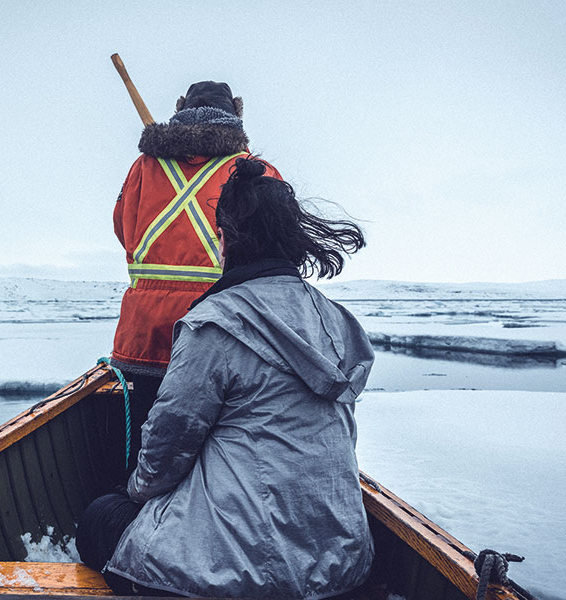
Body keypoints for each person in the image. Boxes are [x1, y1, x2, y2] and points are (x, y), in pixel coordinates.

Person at [78, 158, 374, 598]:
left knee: (102, 516)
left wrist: (135, 491)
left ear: (225, 239)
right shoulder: (337, 321)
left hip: (241, 576)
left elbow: (166, 450)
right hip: (342, 563)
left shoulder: (215, 323)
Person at [109, 81, 282, 471]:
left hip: (145, 336)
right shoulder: (256, 171)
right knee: (220, 458)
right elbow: (279, 243)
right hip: (225, 332)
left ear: (180, 110)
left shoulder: (143, 168)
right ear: (237, 115)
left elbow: (122, 228)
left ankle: (138, 515)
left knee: (147, 451)